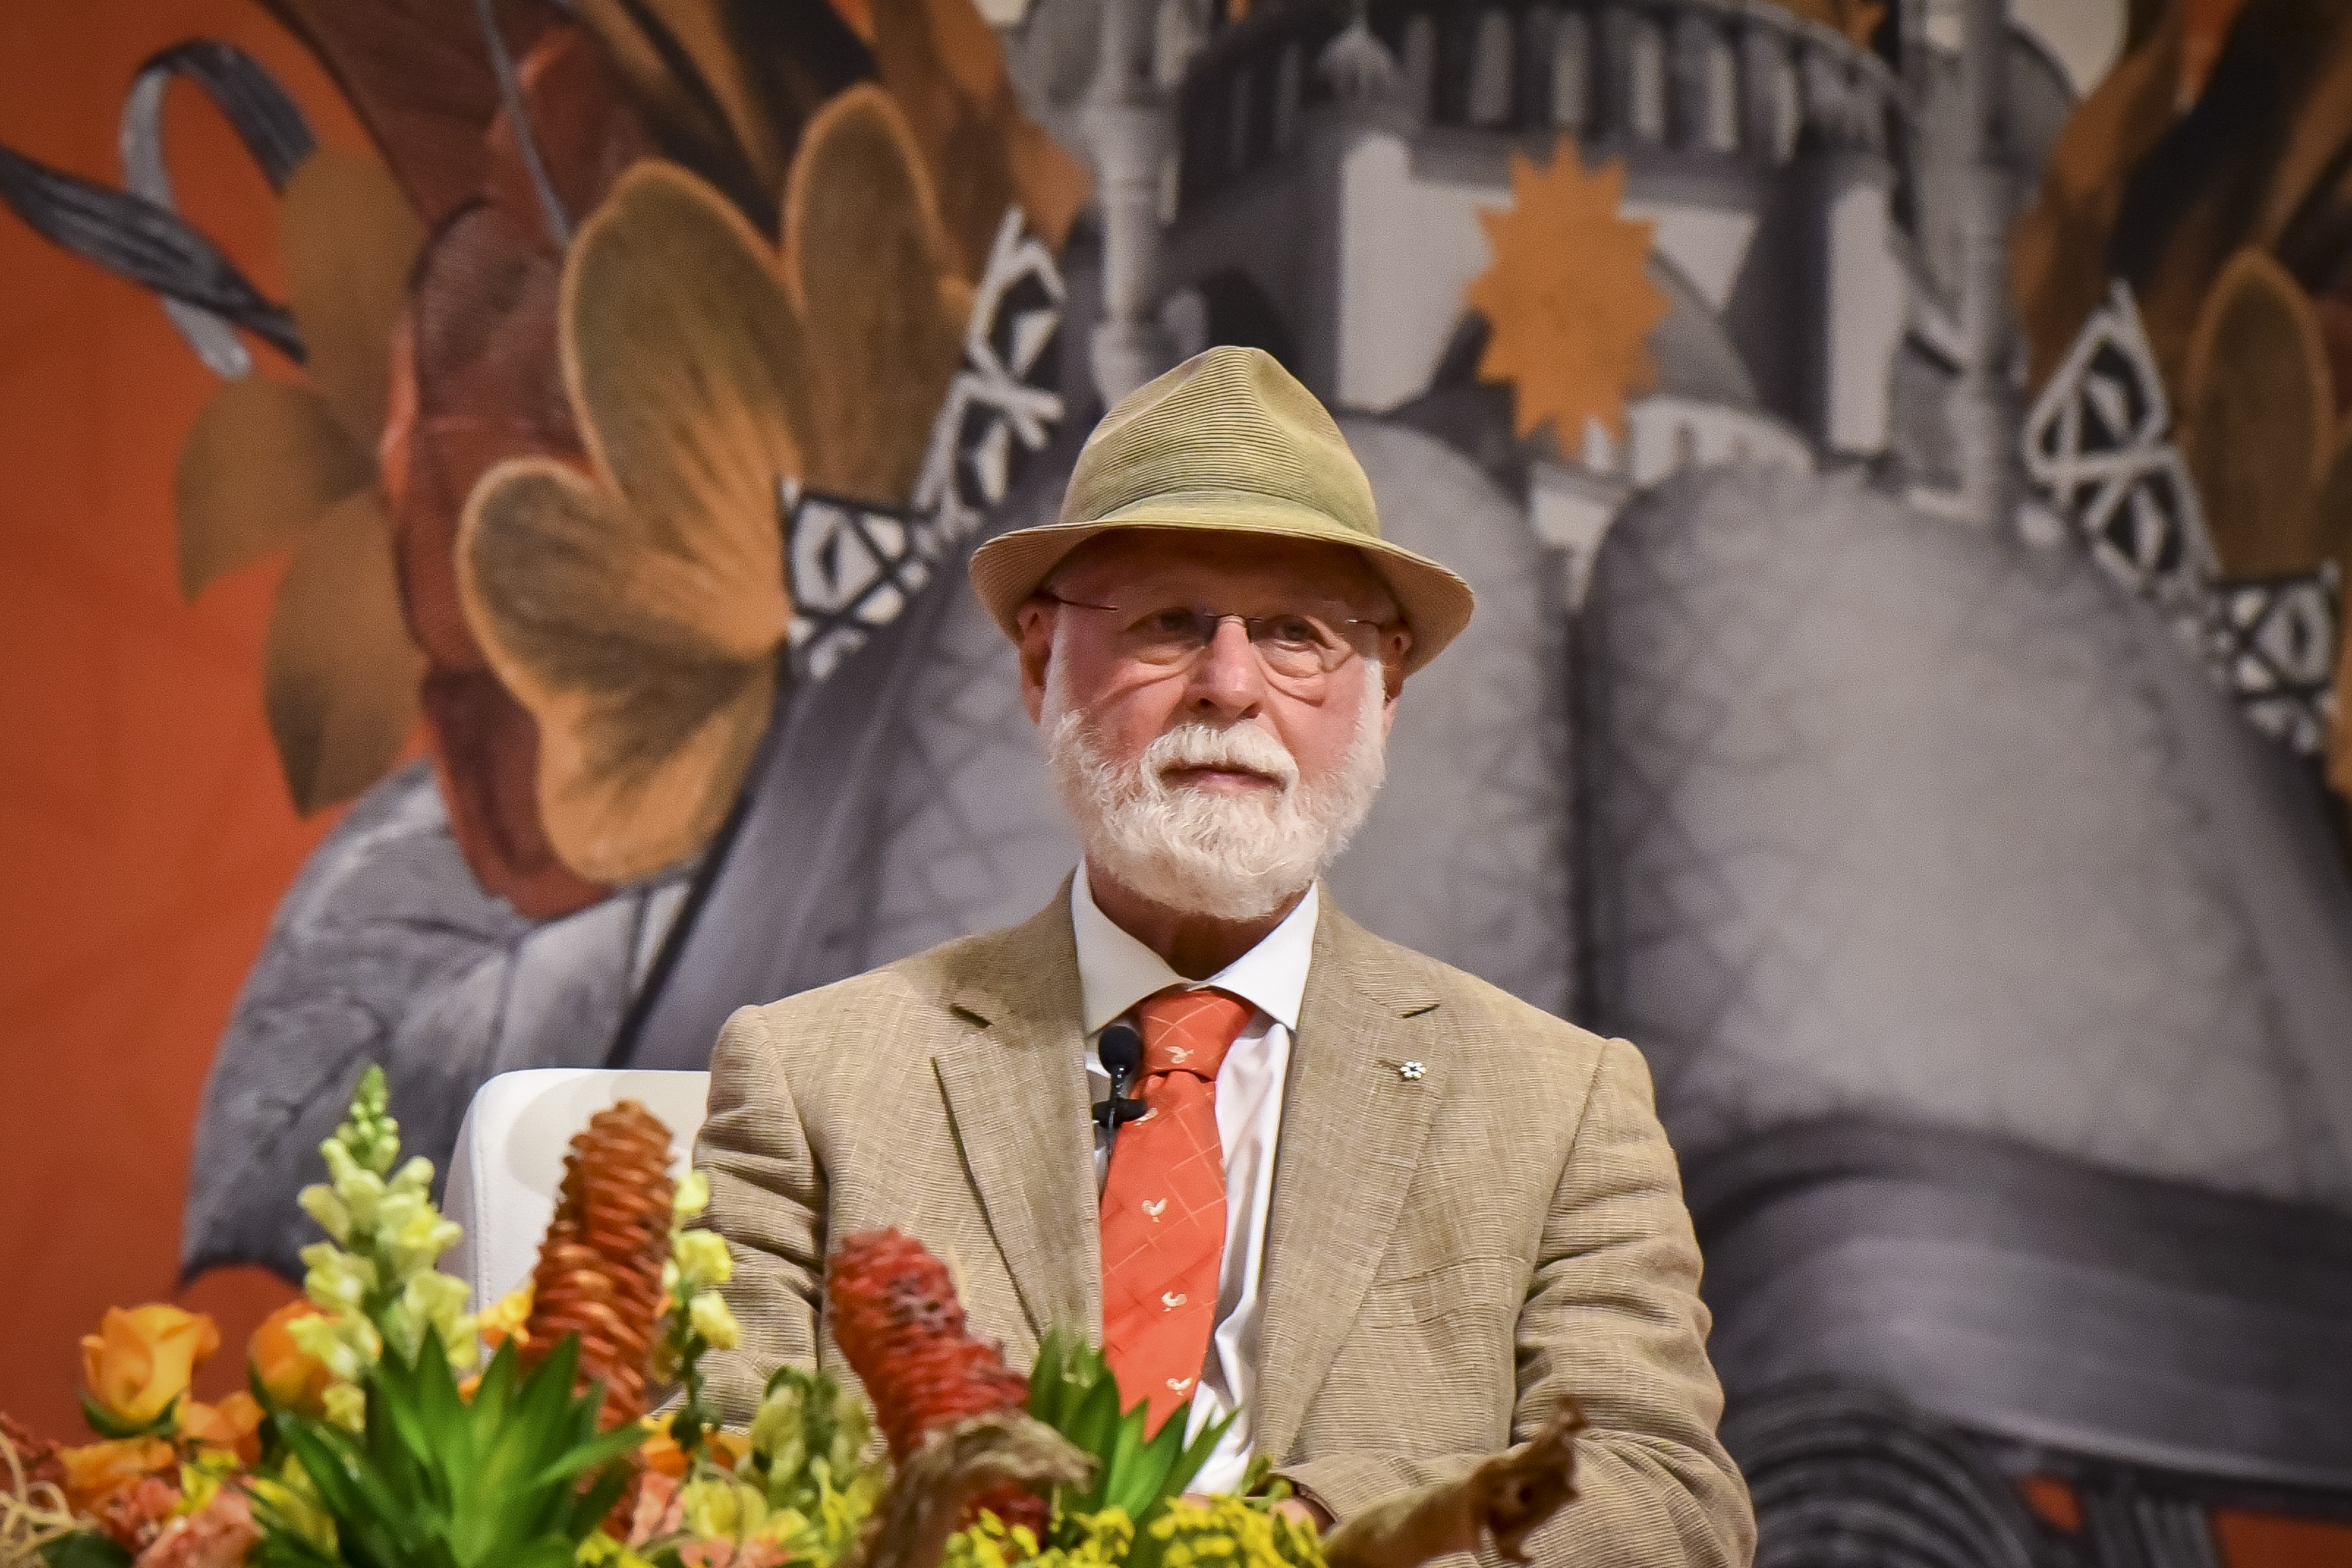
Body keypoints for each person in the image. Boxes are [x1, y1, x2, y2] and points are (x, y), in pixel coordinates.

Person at [698, 346, 1755, 1566]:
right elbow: (711, 1469)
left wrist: (1290, 1540)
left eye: (1297, 634)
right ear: (1041, 663)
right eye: (1168, 624)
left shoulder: (1561, 1107)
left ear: (1384, 690)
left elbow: (1660, 1499)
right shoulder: (809, 1077)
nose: (1230, 685)